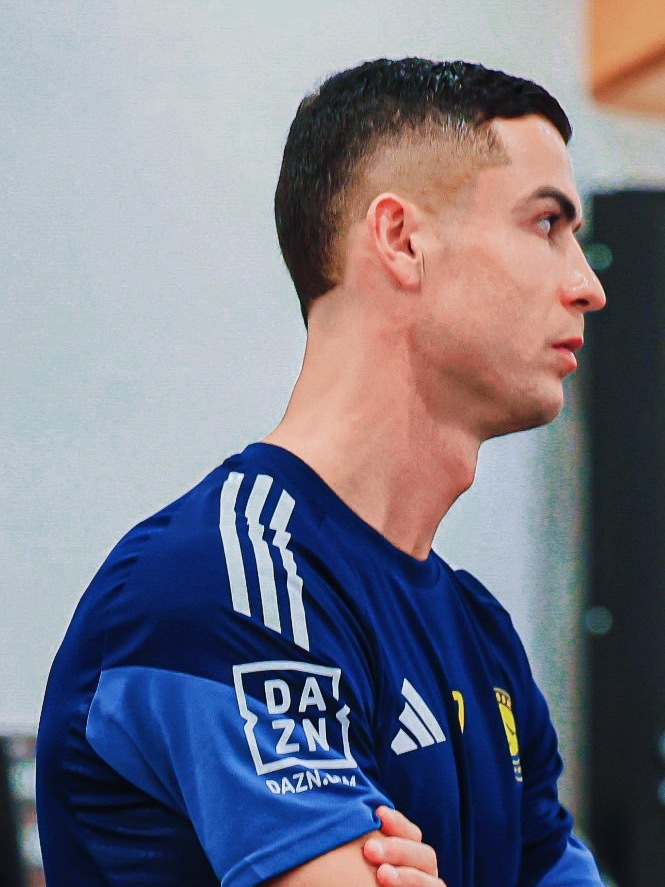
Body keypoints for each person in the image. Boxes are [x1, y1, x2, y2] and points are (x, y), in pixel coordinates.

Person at [36, 57, 607, 886]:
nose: (586, 285)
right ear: (401, 240)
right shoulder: (220, 584)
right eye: (545, 223)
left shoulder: (480, 637)